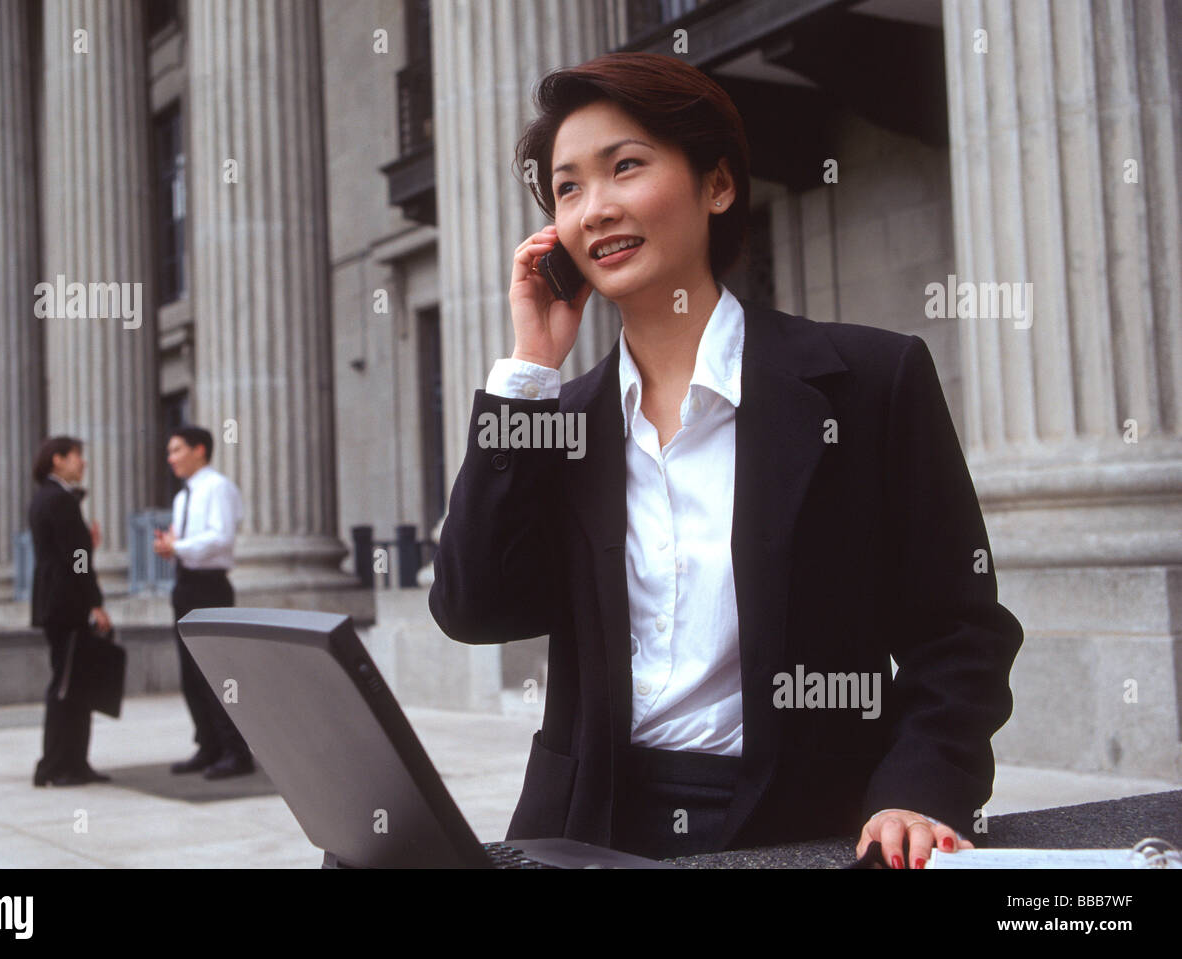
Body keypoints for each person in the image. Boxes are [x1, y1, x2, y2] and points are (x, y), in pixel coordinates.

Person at [428, 51, 1024, 868]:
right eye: (567, 187)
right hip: (587, 827)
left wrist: (920, 785)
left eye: (625, 167)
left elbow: (961, 628)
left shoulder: (870, 383)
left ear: (717, 185)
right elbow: (471, 606)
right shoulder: (556, 420)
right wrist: (529, 369)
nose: (594, 208)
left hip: (805, 820)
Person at [153, 425, 252, 779]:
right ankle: (208, 745)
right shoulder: (183, 497)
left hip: (210, 587)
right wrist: (172, 548)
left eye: (177, 449)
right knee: (191, 674)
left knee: (217, 671)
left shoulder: (218, 487)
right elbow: (193, 542)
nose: (171, 458)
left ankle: (236, 751)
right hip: (186, 584)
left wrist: (177, 547)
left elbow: (221, 538)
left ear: (199, 450)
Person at [28, 436, 112, 787]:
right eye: (77, 456)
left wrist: (84, 546)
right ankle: (58, 766)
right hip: (67, 604)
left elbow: (68, 551)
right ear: (57, 460)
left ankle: (71, 764)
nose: (83, 463)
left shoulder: (48, 498)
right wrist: (95, 603)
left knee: (72, 683)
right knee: (67, 684)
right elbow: (74, 562)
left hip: (56, 602)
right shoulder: (60, 499)